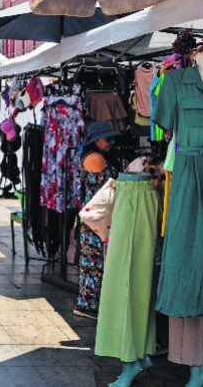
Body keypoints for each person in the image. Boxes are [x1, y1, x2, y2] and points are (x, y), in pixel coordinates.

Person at [75, 121, 120, 320]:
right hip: (96, 218)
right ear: (96, 141)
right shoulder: (95, 158)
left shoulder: (94, 156)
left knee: (93, 262)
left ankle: (89, 304)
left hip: (94, 216)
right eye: (106, 138)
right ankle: (88, 305)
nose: (111, 142)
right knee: (95, 262)